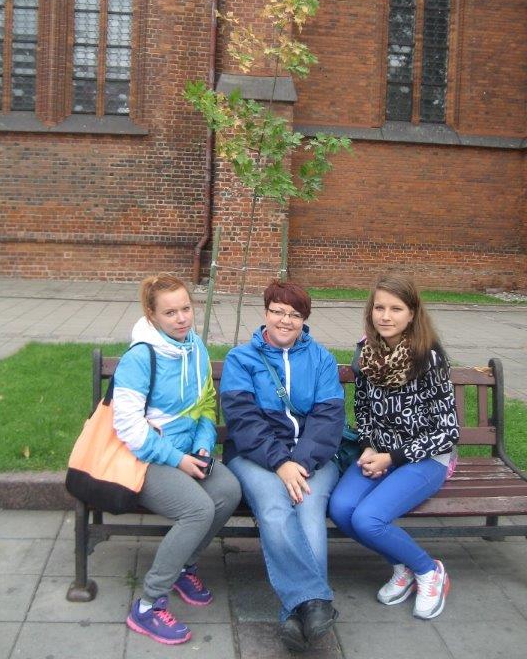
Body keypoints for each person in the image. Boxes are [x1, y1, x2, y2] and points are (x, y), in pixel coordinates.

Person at [113, 273, 242, 645]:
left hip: (186, 453)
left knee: (229, 490)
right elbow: (129, 429)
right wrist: (177, 459)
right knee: (198, 509)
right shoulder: (140, 357)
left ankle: (185, 566)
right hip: (145, 459)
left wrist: (202, 446)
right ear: (151, 315)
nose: (182, 318)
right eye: (170, 312)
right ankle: (148, 604)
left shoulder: (195, 347)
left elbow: (205, 403)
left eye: (186, 308)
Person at [220, 280, 345, 652]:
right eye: (278, 311)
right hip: (254, 457)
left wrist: (298, 464)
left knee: (308, 507)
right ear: (265, 313)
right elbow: (243, 422)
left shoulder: (321, 359)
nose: (285, 320)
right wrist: (280, 463)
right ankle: (316, 604)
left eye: (294, 314)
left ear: (304, 319)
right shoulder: (241, 359)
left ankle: (294, 614)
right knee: (275, 508)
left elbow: (328, 420)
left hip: (313, 458)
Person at [328, 272, 459, 621]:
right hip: (380, 454)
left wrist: (393, 457)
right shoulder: (366, 354)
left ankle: (429, 571)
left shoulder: (429, 358)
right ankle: (401, 566)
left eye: (396, 309)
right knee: (341, 508)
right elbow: (363, 409)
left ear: (412, 313)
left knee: (368, 519)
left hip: (426, 458)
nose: (385, 316)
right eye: (379, 307)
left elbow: (448, 432)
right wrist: (368, 447)